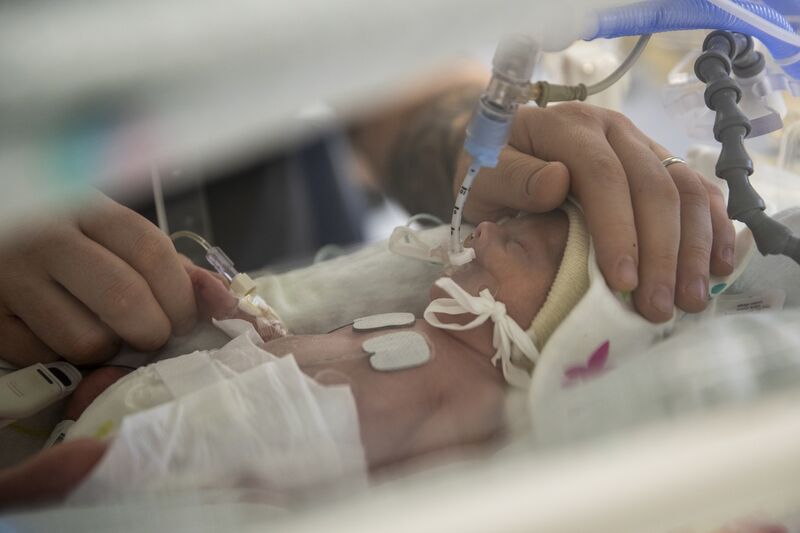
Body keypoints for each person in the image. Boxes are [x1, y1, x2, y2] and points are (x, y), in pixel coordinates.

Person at [0, 194, 754, 506]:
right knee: (96, 384)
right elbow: (293, 344)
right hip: (190, 390)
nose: (482, 230)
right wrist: (243, 317)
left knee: (80, 477)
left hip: (219, 452)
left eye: (514, 241)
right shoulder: (415, 326)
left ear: (556, 323)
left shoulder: (468, 396)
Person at [0, 72, 733, 370]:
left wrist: (463, 142)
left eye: (509, 237)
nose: (478, 235)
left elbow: (394, 84)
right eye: (499, 229)